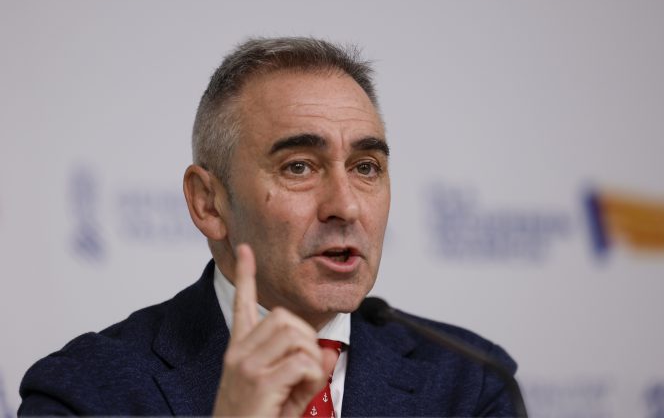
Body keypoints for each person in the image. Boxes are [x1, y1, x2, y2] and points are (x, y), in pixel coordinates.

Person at [19, 37, 522, 416]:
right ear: (208, 203)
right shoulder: (83, 393)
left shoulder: (470, 383)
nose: (346, 206)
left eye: (366, 167)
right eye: (299, 167)